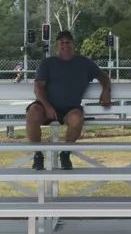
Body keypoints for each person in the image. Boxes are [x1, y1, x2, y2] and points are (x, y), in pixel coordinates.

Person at [26, 30, 111, 170]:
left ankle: (65, 153)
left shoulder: (84, 63)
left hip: (70, 108)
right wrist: (47, 106)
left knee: (77, 118)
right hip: (46, 107)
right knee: (32, 112)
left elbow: (103, 76)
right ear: (57, 45)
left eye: (68, 42)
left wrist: (106, 90)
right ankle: (37, 155)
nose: (65, 45)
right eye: (62, 42)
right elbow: (38, 88)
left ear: (73, 45)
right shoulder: (47, 63)